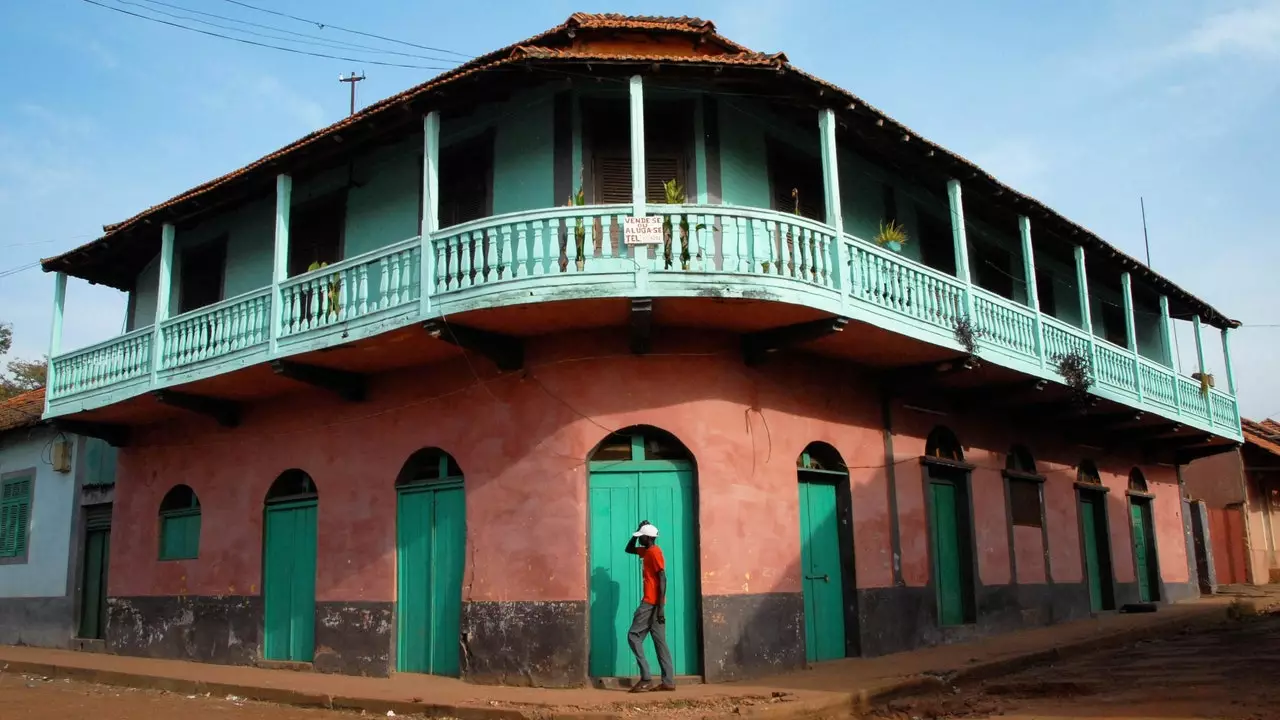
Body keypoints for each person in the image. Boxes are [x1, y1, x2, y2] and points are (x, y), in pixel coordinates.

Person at [624, 519, 675, 692]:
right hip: (656, 604)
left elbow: (663, 578)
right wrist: (637, 530)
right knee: (660, 642)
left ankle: (646, 678)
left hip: (650, 603)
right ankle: (668, 682)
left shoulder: (654, 553)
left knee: (633, 636)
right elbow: (629, 549)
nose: (639, 539)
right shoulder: (647, 552)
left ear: (648, 538)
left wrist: (659, 608)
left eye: (641, 537)